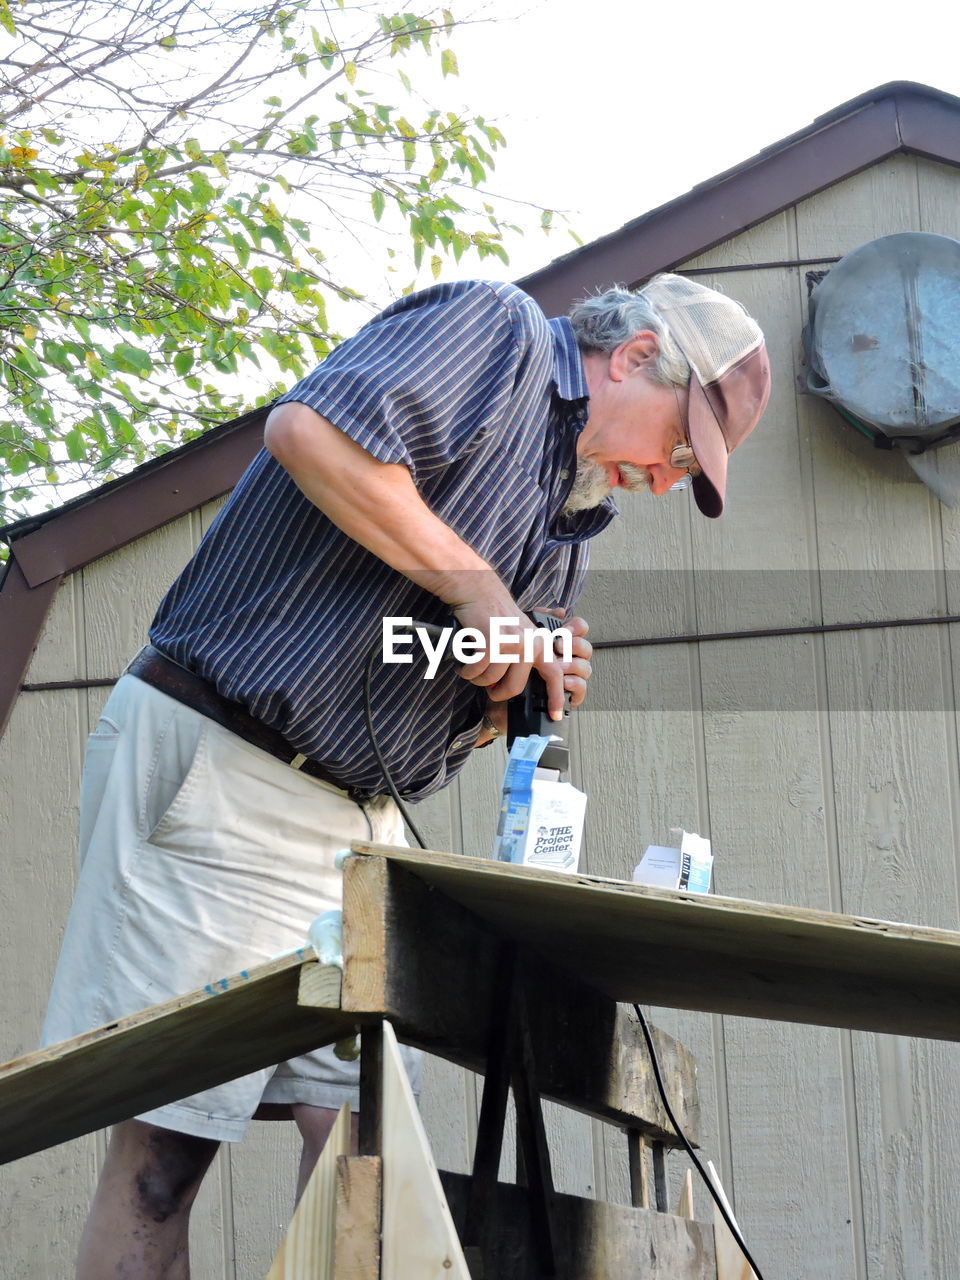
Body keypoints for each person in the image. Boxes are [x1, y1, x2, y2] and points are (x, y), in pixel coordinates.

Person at [41, 273, 770, 1277]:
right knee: (168, 1151)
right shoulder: (497, 332)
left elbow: (427, 683)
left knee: (366, 1152)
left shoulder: (569, 521)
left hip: (357, 824)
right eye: (679, 444)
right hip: (225, 765)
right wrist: (480, 593)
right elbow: (307, 433)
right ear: (635, 355)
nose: (664, 476)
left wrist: (518, 682)